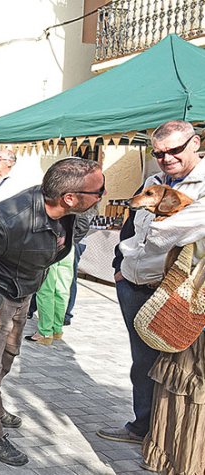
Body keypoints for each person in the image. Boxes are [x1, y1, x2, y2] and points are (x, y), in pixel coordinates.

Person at [0, 157, 104, 466]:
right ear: (70, 198)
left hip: (23, 291)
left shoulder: (74, 211)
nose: (103, 195)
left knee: (8, 355)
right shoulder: (10, 218)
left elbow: (64, 241)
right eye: (98, 191)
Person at [97, 120, 205, 456]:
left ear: (195, 143)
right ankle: (142, 428)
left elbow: (171, 232)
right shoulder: (154, 181)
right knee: (141, 362)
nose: (166, 158)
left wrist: (157, 217)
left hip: (178, 294)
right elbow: (133, 228)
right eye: (158, 153)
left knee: (179, 370)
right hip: (133, 285)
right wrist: (119, 267)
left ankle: (169, 442)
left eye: (175, 150)